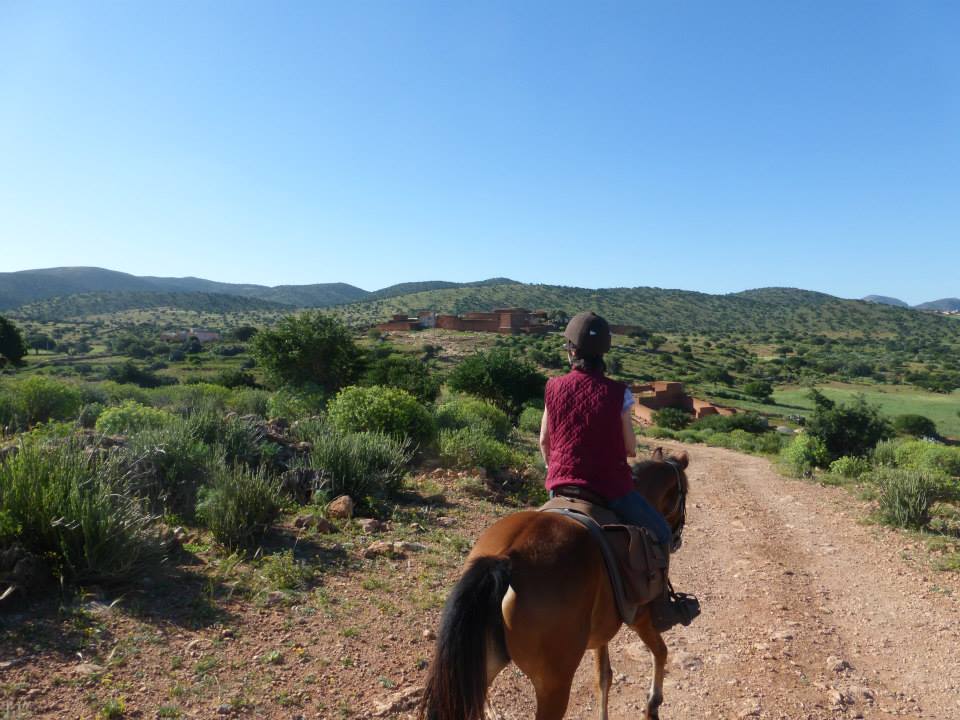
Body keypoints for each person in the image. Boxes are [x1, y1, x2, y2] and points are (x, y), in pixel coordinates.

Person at [539, 310, 698, 631]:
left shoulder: (553, 387)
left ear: (571, 350)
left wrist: (555, 469)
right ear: (604, 352)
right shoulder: (618, 393)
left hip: (561, 487)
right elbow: (629, 448)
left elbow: (545, 440)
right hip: (608, 489)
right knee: (660, 532)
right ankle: (662, 609)